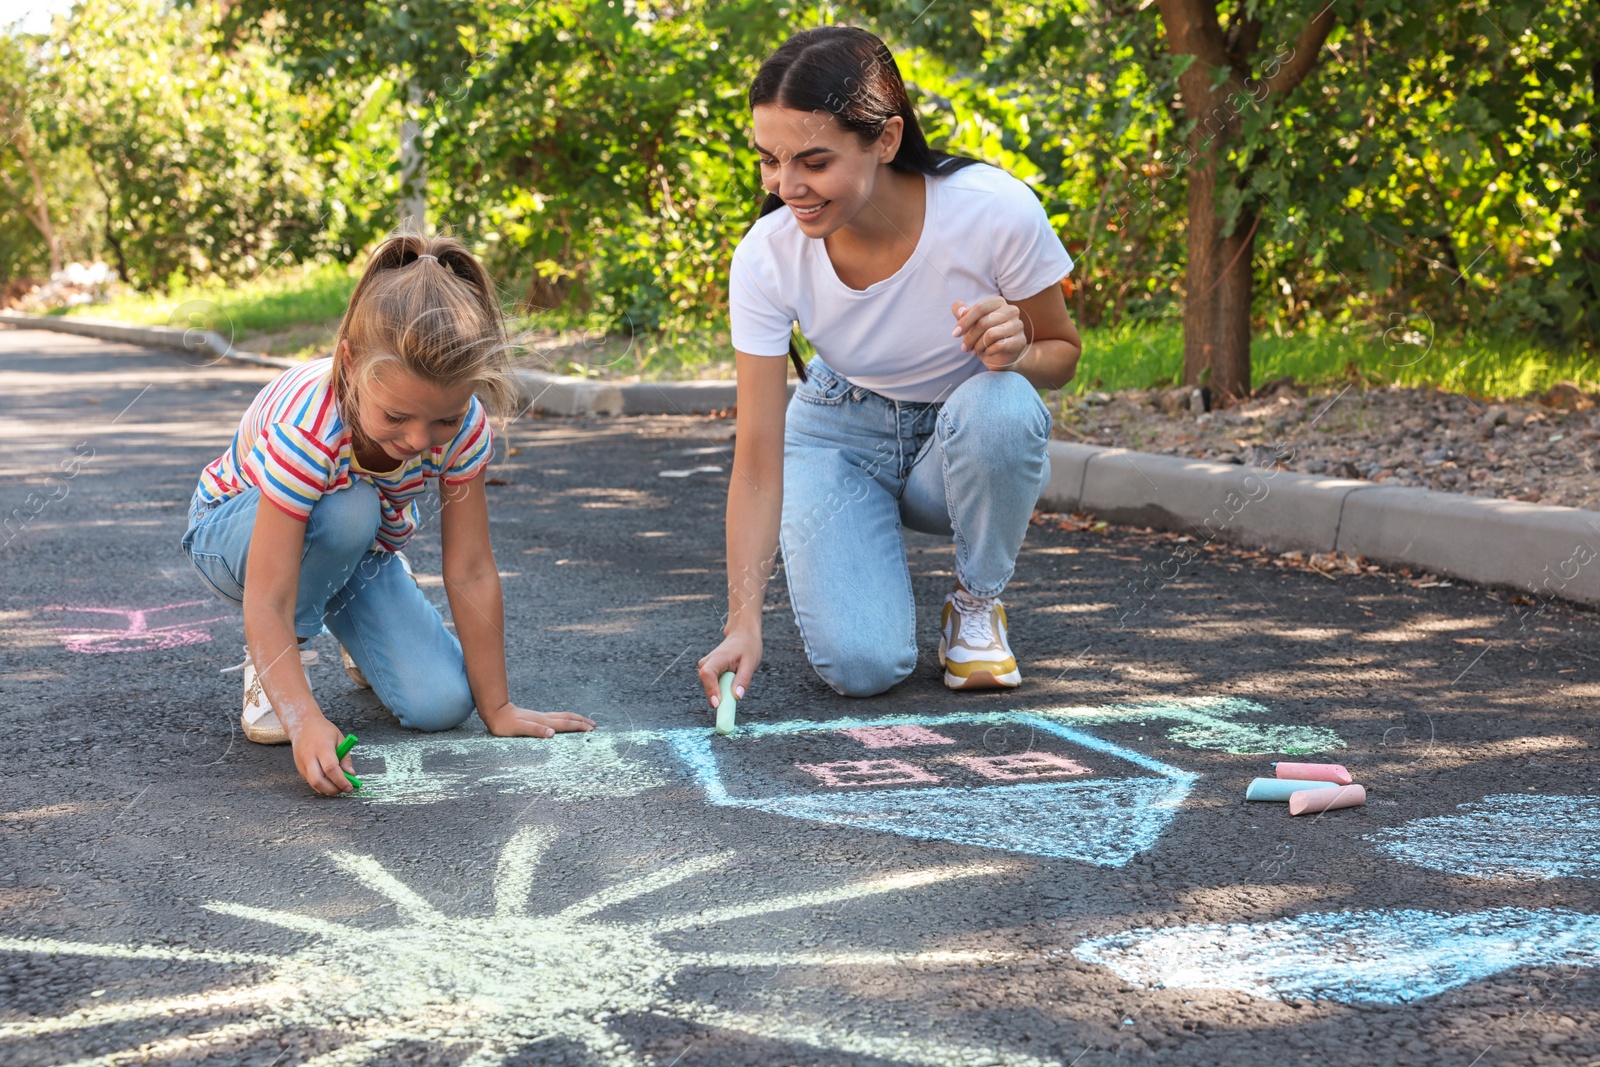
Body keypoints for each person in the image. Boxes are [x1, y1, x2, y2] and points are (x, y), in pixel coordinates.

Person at [697, 26, 1082, 707]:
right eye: (769, 160)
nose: (787, 187)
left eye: (813, 162)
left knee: (1006, 404)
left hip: (958, 437)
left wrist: (1016, 350)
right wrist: (742, 621)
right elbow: (757, 459)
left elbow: (1062, 355)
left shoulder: (993, 211)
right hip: (839, 432)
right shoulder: (767, 254)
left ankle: (975, 605)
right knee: (863, 665)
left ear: (886, 139)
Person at [182, 233, 594, 796]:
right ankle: (272, 674)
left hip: (356, 548)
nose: (419, 440)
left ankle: (347, 614)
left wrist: (498, 707)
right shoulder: (311, 426)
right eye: (396, 415)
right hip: (232, 535)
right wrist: (303, 718)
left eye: (442, 421)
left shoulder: (463, 424)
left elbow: (471, 568)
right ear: (350, 364)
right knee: (350, 508)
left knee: (443, 703)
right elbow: (269, 596)